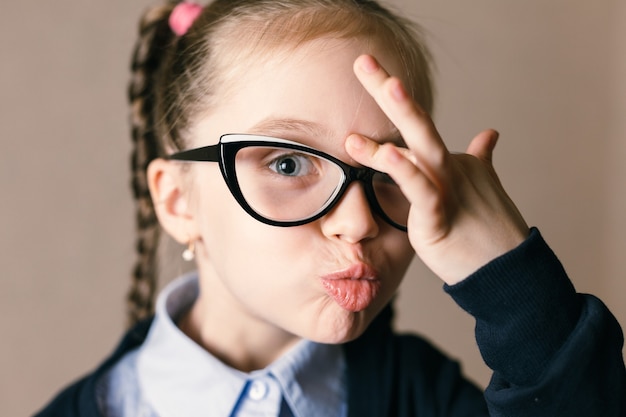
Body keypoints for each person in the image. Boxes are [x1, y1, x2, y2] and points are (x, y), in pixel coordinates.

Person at [35, 0, 625, 416]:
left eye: (390, 169)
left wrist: (509, 278)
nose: (360, 221)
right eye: (288, 164)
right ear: (175, 200)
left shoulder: (426, 395)